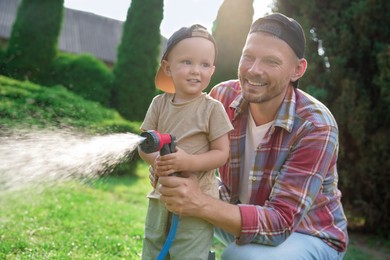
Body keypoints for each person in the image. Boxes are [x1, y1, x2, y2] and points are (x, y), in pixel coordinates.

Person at [156, 13, 349, 259]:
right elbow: (194, 159)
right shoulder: (221, 97)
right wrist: (173, 168)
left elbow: (280, 223)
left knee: (242, 257)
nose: (254, 70)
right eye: (248, 57)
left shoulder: (315, 126)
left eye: (271, 61)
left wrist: (199, 202)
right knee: (171, 205)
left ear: (297, 70)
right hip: (236, 210)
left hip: (308, 234)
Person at [138, 24, 234, 259]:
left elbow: (222, 153)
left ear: (212, 70)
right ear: (168, 68)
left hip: (196, 203)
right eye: (187, 62)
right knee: (153, 248)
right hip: (161, 198)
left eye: (204, 64)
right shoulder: (159, 104)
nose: (195, 71)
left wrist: (187, 161)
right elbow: (144, 143)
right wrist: (155, 162)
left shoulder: (212, 109)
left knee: (188, 253)